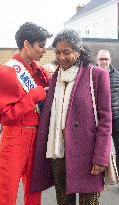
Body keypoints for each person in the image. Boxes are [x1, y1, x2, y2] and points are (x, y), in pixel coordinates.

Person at [30, 30, 112, 205]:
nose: (61, 57)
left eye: (66, 52)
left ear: (78, 51)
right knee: (63, 201)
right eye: (58, 52)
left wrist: (101, 157)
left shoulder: (96, 75)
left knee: (89, 202)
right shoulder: (54, 78)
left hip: (87, 155)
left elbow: (105, 120)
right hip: (58, 152)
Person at [0, 22, 52, 205]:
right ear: (26, 44)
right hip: (15, 136)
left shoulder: (38, 72)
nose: (44, 50)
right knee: (8, 191)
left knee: (34, 190)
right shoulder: (5, 72)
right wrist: (33, 96)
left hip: (37, 136)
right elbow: (6, 116)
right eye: (41, 45)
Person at [97, 49, 119, 176]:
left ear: (110, 60)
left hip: (115, 118)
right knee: (98, 150)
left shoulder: (117, 76)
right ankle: (97, 178)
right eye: (101, 59)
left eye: (106, 59)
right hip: (97, 120)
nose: (104, 62)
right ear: (97, 60)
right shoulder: (90, 76)